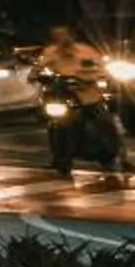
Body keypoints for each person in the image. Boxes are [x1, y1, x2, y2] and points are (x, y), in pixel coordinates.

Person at [38, 25, 118, 182]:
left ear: (72, 36)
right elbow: (39, 70)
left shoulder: (86, 51)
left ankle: (114, 156)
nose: (63, 40)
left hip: (89, 97)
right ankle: (61, 161)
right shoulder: (50, 53)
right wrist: (39, 76)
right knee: (58, 123)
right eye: (58, 37)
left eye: (65, 36)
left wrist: (91, 79)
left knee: (105, 122)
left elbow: (101, 70)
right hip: (64, 97)